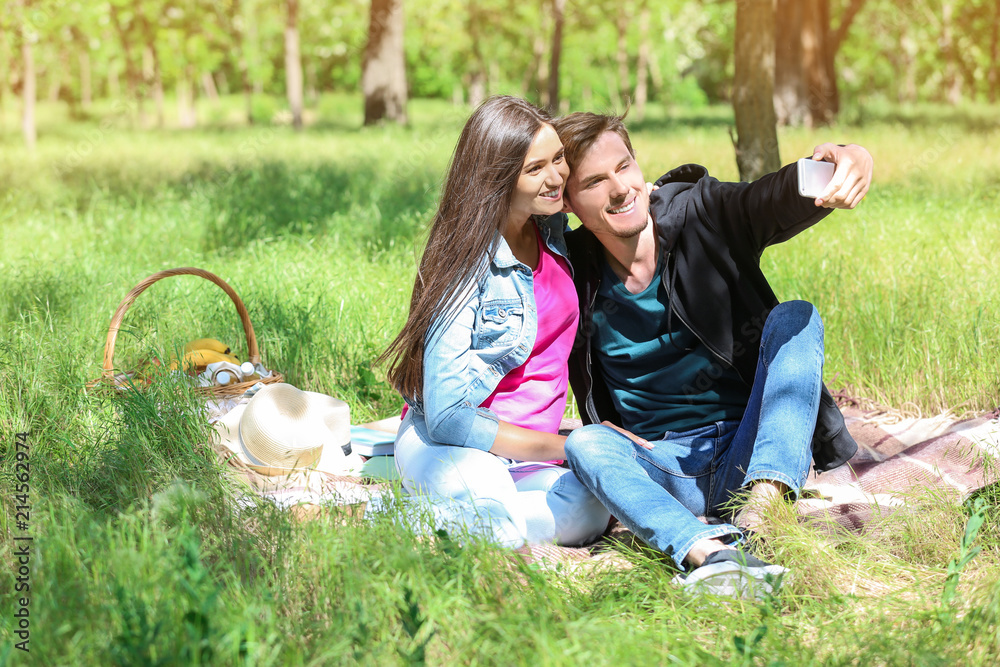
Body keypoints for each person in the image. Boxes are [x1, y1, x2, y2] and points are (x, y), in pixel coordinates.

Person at [552, 111, 873, 597]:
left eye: (624, 167)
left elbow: (777, 194)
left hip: (750, 448)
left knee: (796, 316)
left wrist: (850, 157)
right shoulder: (568, 270)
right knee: (584, 443)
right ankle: (710, 554)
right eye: (595, 181)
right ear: (569, 203)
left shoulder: (704, 214)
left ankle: (764, 509)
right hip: (662, 466)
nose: (619, 189)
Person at [377, 96, 611, 549]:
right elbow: (447, 418)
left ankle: (439, 517)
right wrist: (567, 447)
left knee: (591, 509)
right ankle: (385, 518)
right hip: (454, 447)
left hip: (525, 454)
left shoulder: (549, 229)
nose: (557, 177)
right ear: (498, 180)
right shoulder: (468, 266)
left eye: (558, 158)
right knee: (495, 521)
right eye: (535, 168)